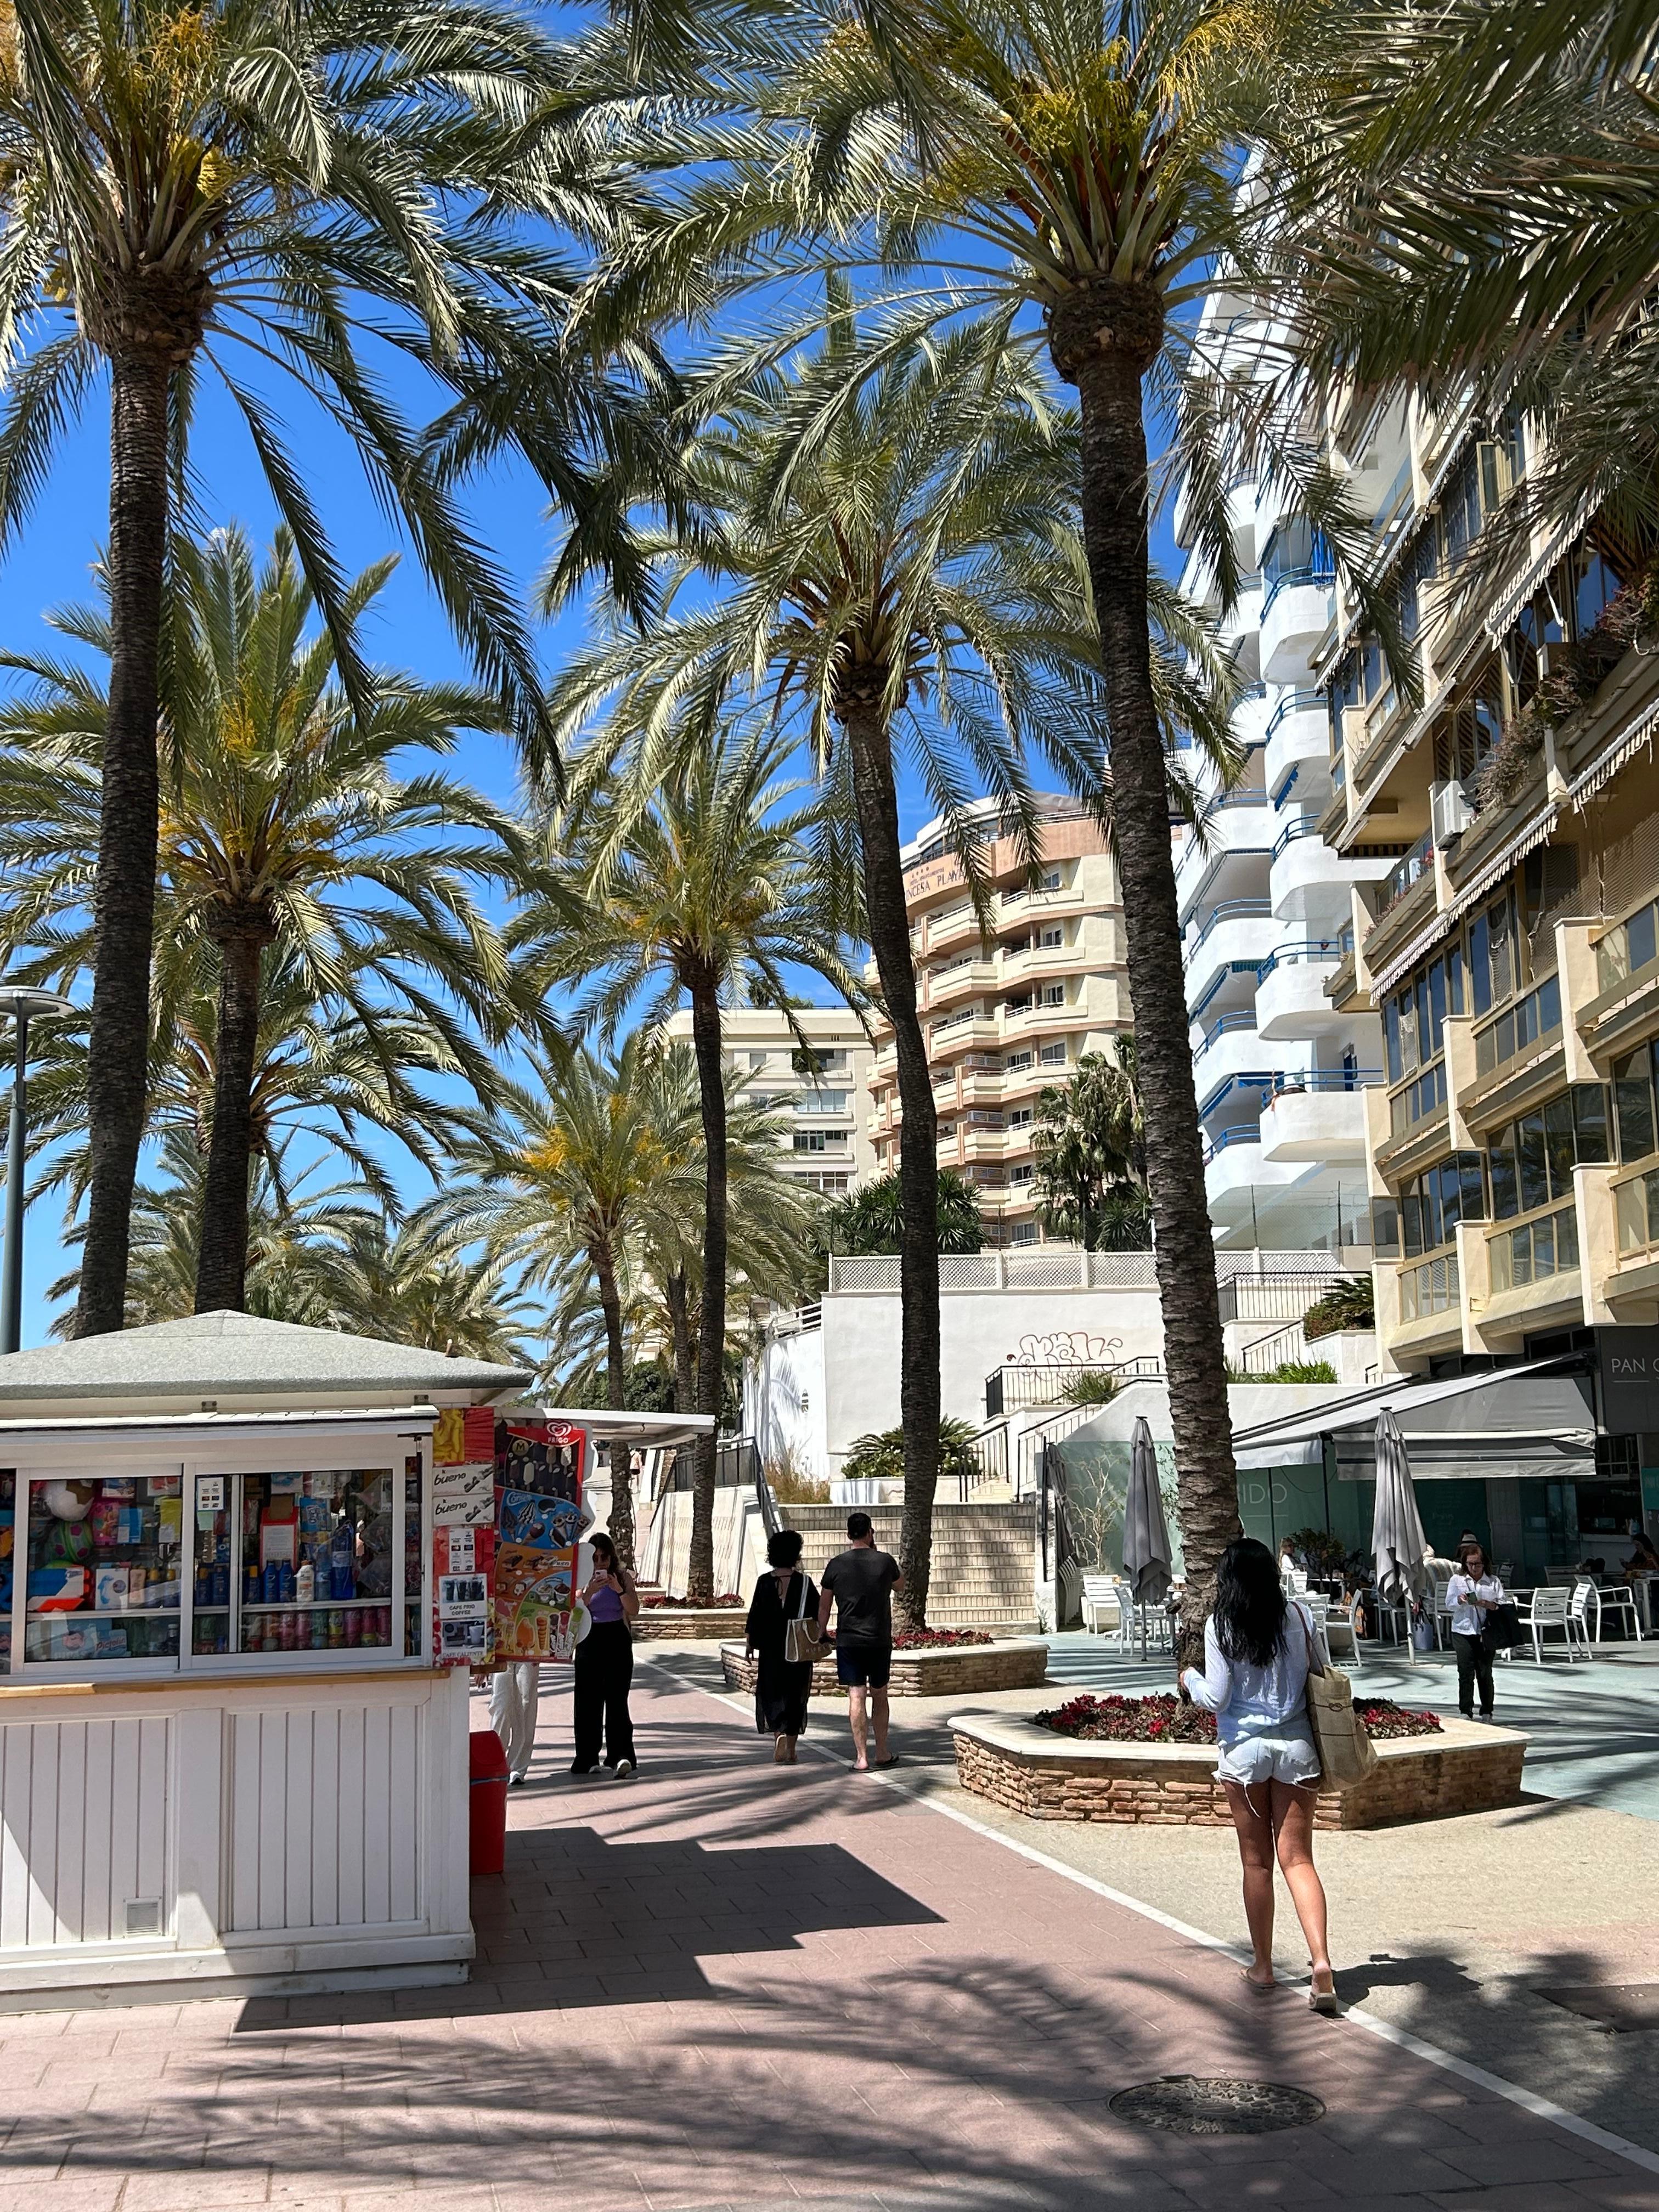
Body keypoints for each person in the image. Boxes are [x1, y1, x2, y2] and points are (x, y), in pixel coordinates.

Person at [1181, 1536, 1338, 2014]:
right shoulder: (1299, 1616)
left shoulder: (1221, 1625)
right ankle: (1322, 1963)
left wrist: (1188, 1679)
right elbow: (1322, 1672)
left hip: (1245, 1754)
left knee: (1257, 1864)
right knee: (1299, 1860)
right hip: (1297, 1750)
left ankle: (1264, 1967)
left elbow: (1218, 1698)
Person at [817, 1511, 902, 1772]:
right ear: (870, 1532)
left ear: (848, 1534)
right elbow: (902, 1587)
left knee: (856, 1695)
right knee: (880, 1694)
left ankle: (861, 1758)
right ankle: (882, 1752)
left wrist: (821, 1633)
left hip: (849, 1641)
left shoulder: (836, 1564)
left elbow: (824, 1606)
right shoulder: (885, 1562)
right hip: (878, 1640)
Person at [744, 1529, 821, 1764]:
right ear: (796, 1554)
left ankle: (778, 1734)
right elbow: (816, 1615)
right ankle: (791, 1748)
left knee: (772, 1692)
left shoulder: (764, 1582)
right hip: (797, 1650)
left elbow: (755, 1615)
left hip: (771, 1648)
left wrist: (750, 1643)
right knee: (795, 1695)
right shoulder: (805, 1583)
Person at [572, 1532, 639, 1776]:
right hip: (590, 1640)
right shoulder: (580, 1579)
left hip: (617, 1641)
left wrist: (619, 1589)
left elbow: (634, 1609)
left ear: (611, 1558)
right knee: (588, 1701)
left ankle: (620, 1755)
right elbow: (576, 1610)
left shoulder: (621, 1578)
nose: (600, 1564)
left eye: (604, 1558)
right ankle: (587, 1757)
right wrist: (589, 1591)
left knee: (617, 1700)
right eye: (595, 1559)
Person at [1446, 1543, 1505, 1721]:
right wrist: (1460, 1600)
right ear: (1465, 1564)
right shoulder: (1457, 1581)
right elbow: (1449, 1605)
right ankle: (1466, 1710)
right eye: (1470, 1564)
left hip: (1486, 1632)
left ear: (1484, 1564)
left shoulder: (1493, 1581)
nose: (1474, 1568)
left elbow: (1503, 1605)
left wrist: (1487, 1604)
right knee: (1465, 1672)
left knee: (1485, 1673)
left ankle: (1487, 1711)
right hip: (1462, 1630)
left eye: (1477, 1564)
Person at [490, 1659, 540, 1786]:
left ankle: (517, 1768)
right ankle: (496, 1763)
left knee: (526, 1704)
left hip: (529, 1649)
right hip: (501, 1648)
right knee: (501, 1706)